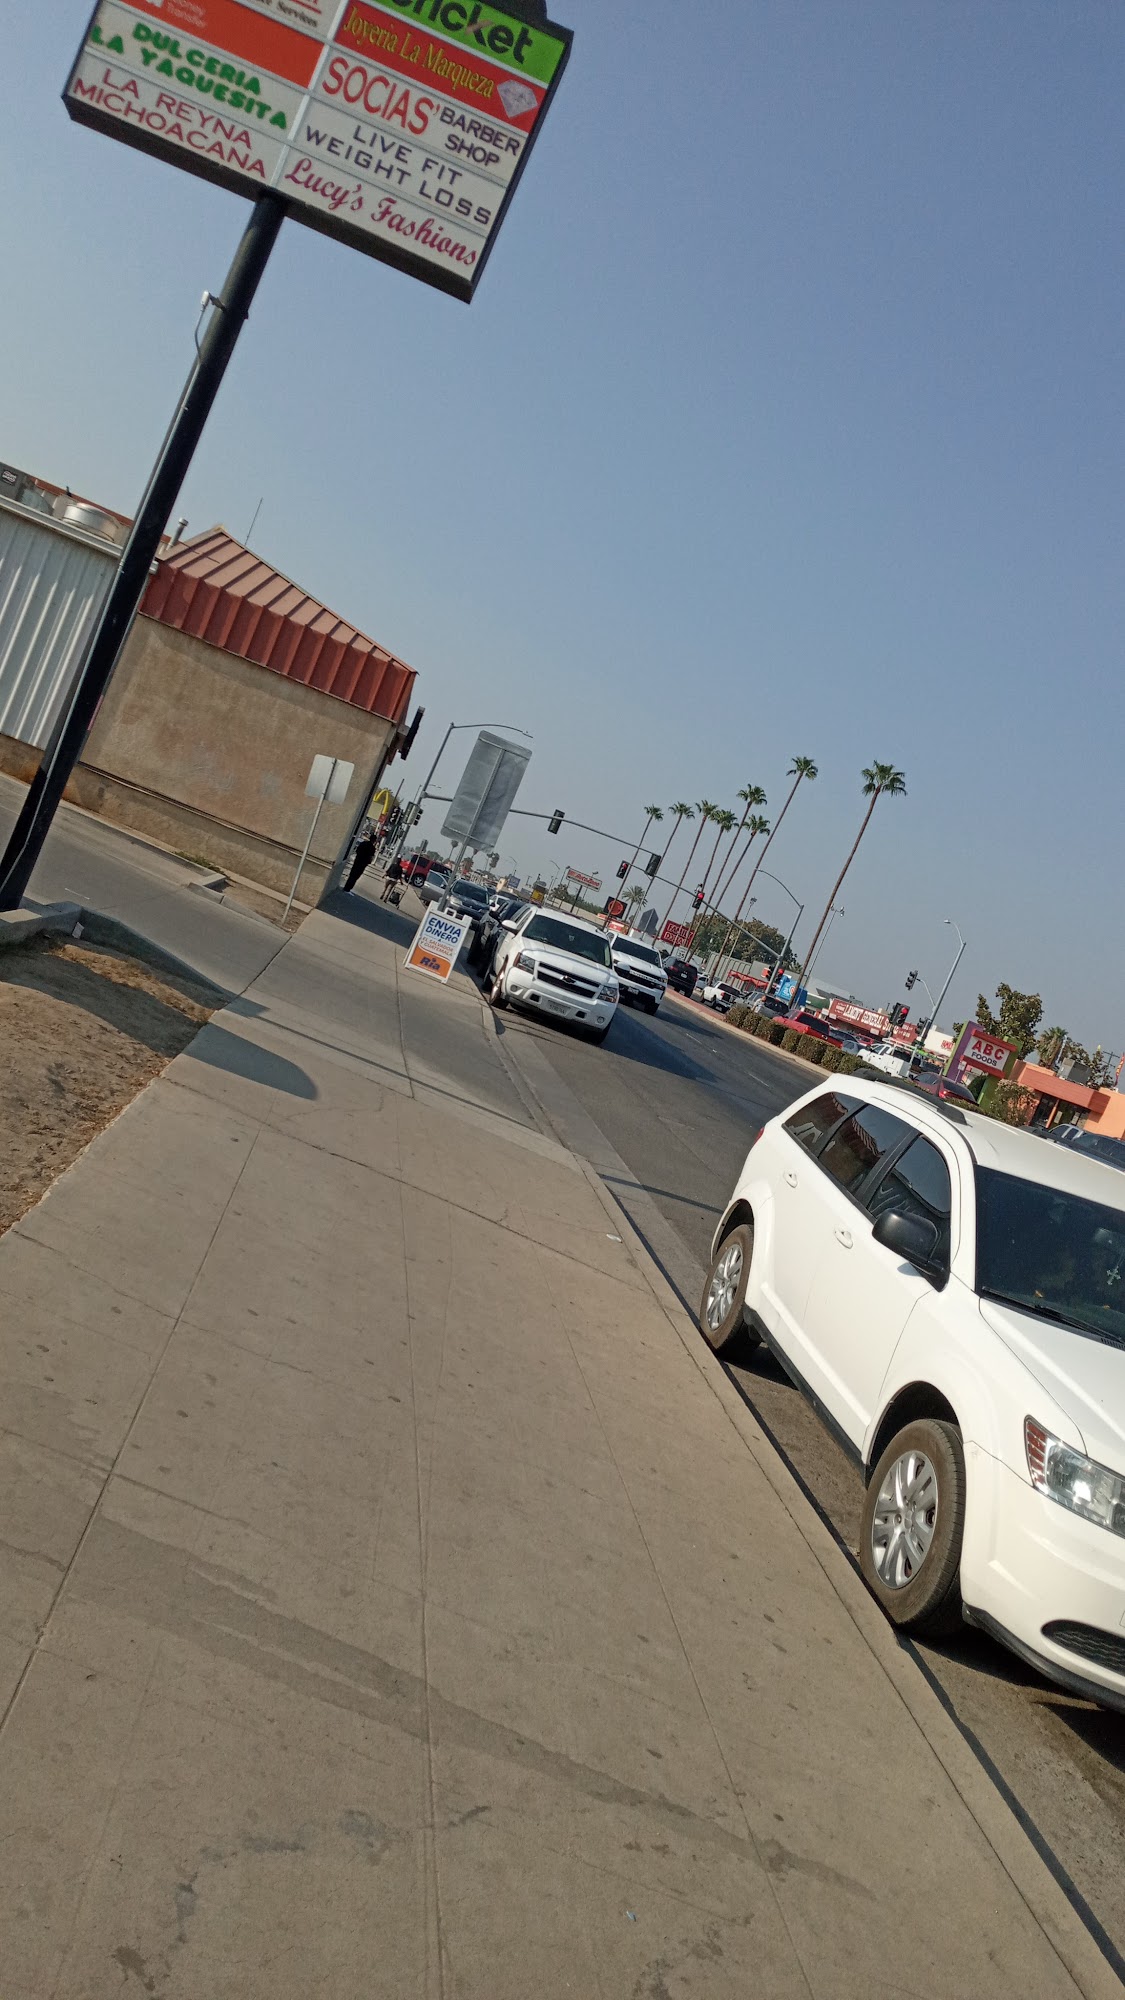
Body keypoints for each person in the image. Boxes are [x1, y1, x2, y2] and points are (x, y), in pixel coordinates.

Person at [343, 827, 377, 892]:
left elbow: (357, 850)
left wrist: (359, 856)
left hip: (357, 860)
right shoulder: (372, 848)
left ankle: (346, 887)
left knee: (352, 874)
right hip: (363, 864)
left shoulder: (363, 843)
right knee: (356, 876)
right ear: (374, 840)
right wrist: (368, 861)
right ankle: (349, 888)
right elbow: (371, 857)